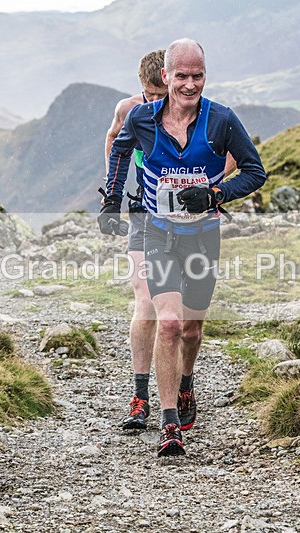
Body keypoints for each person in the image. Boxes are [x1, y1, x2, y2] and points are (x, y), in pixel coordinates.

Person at [100, 38, 267, 456]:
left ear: (204, 76)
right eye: (182, 76)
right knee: (169, 322)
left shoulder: (221, 120)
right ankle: (169, 422)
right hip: (157, 233)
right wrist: (111, 200)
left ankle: (186, 381)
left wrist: (215, 195)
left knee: (192, 327)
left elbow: (255, 171)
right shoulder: (142, 117)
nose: (190, 85)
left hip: (202, 236)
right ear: (166, 77)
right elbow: (120, 151)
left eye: (197, 77)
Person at [103, 49, 168, 431]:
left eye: (164, 96)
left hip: (183, 220)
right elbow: (114, 141)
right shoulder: (129, 109)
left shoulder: (193, 110)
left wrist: (213, 189)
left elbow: (228, 151)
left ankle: (179, 390)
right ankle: (140, 397)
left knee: (179, 315)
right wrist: (110, 196)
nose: (157, 104)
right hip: (142, 213)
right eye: (150, 95)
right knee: (145, 300)